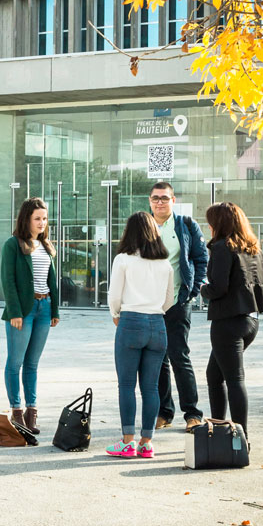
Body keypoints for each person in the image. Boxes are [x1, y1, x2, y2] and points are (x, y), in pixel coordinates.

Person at [201, 202, 263, 440]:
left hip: (227, 322)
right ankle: (221, 428)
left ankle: (240, 438)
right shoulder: (254, 249)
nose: (209, 226)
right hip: (250, 321)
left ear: (219, 223)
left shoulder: (223, 248)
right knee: (214, 375)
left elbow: (219, 288)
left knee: (234, 379)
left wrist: (202, 289)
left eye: (211, 221)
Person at [106, 212, 174, 459]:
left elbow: (114, 295)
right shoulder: (165, 264)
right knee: (151, 387)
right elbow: (169, 299)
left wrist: (116, 313)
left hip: (131, 320)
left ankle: (127, 442)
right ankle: (147, 443)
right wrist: (155, 312)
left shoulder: (123, 259)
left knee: (126, 384)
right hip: (157, 324)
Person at [148, 182, 207, 431]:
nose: (159, 202)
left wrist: (192, 291)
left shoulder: (186, 225)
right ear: (149, 201)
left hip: (177, 302)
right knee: (158, 359)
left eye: (164, 198)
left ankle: (192, 413)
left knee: (179, 356)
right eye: (155, 198)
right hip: (150, 304)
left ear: (173, 200)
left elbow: (200, 258)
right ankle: (164, 412)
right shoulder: (144, 225)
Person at [0, 197, 59, 435]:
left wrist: (54, 310)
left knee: (32, 364)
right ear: (26, 219)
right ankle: (16, 411)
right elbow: (8, 279)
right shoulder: (13, 244)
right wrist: (14, 311)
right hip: (22, 311)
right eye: (37, 219)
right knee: (15, 363)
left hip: (44, 309)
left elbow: (50, 280)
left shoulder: (46, 246)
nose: (42, 223)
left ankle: (31, 412)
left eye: (44, 218)